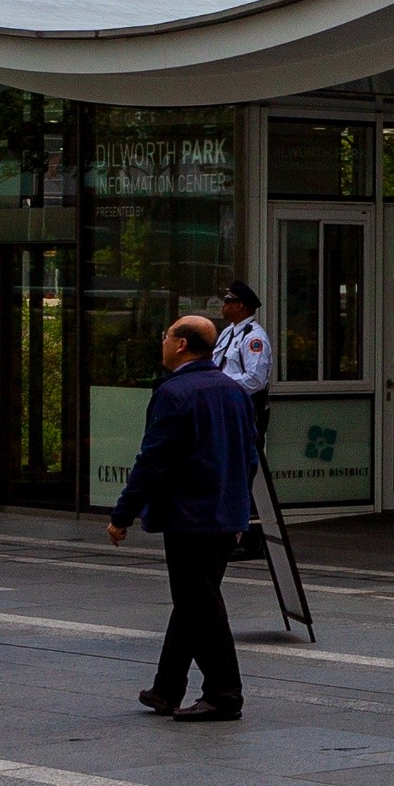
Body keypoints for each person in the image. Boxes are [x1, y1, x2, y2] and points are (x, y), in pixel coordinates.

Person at [107, 315, 262, 721]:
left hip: (188, 516)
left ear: (180, 345)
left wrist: (122, 514)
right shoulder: (233, 391)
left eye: (165, 334)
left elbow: (153, 460)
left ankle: (224, 694)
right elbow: (249, 457)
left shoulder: (174, 393)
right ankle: (167, 687)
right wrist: (240, 508)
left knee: (201, 605)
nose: (161, 341)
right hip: (224, 514)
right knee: (194, 599)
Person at [213, 282, 272, 429]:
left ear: (239, 306)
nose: (223, 305)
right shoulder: (228, 331)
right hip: (224, 404)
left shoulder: (254, 338)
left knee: (246, 450)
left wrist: (221, 384)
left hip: (243, 407)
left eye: (227, 301)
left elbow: (255, 379)